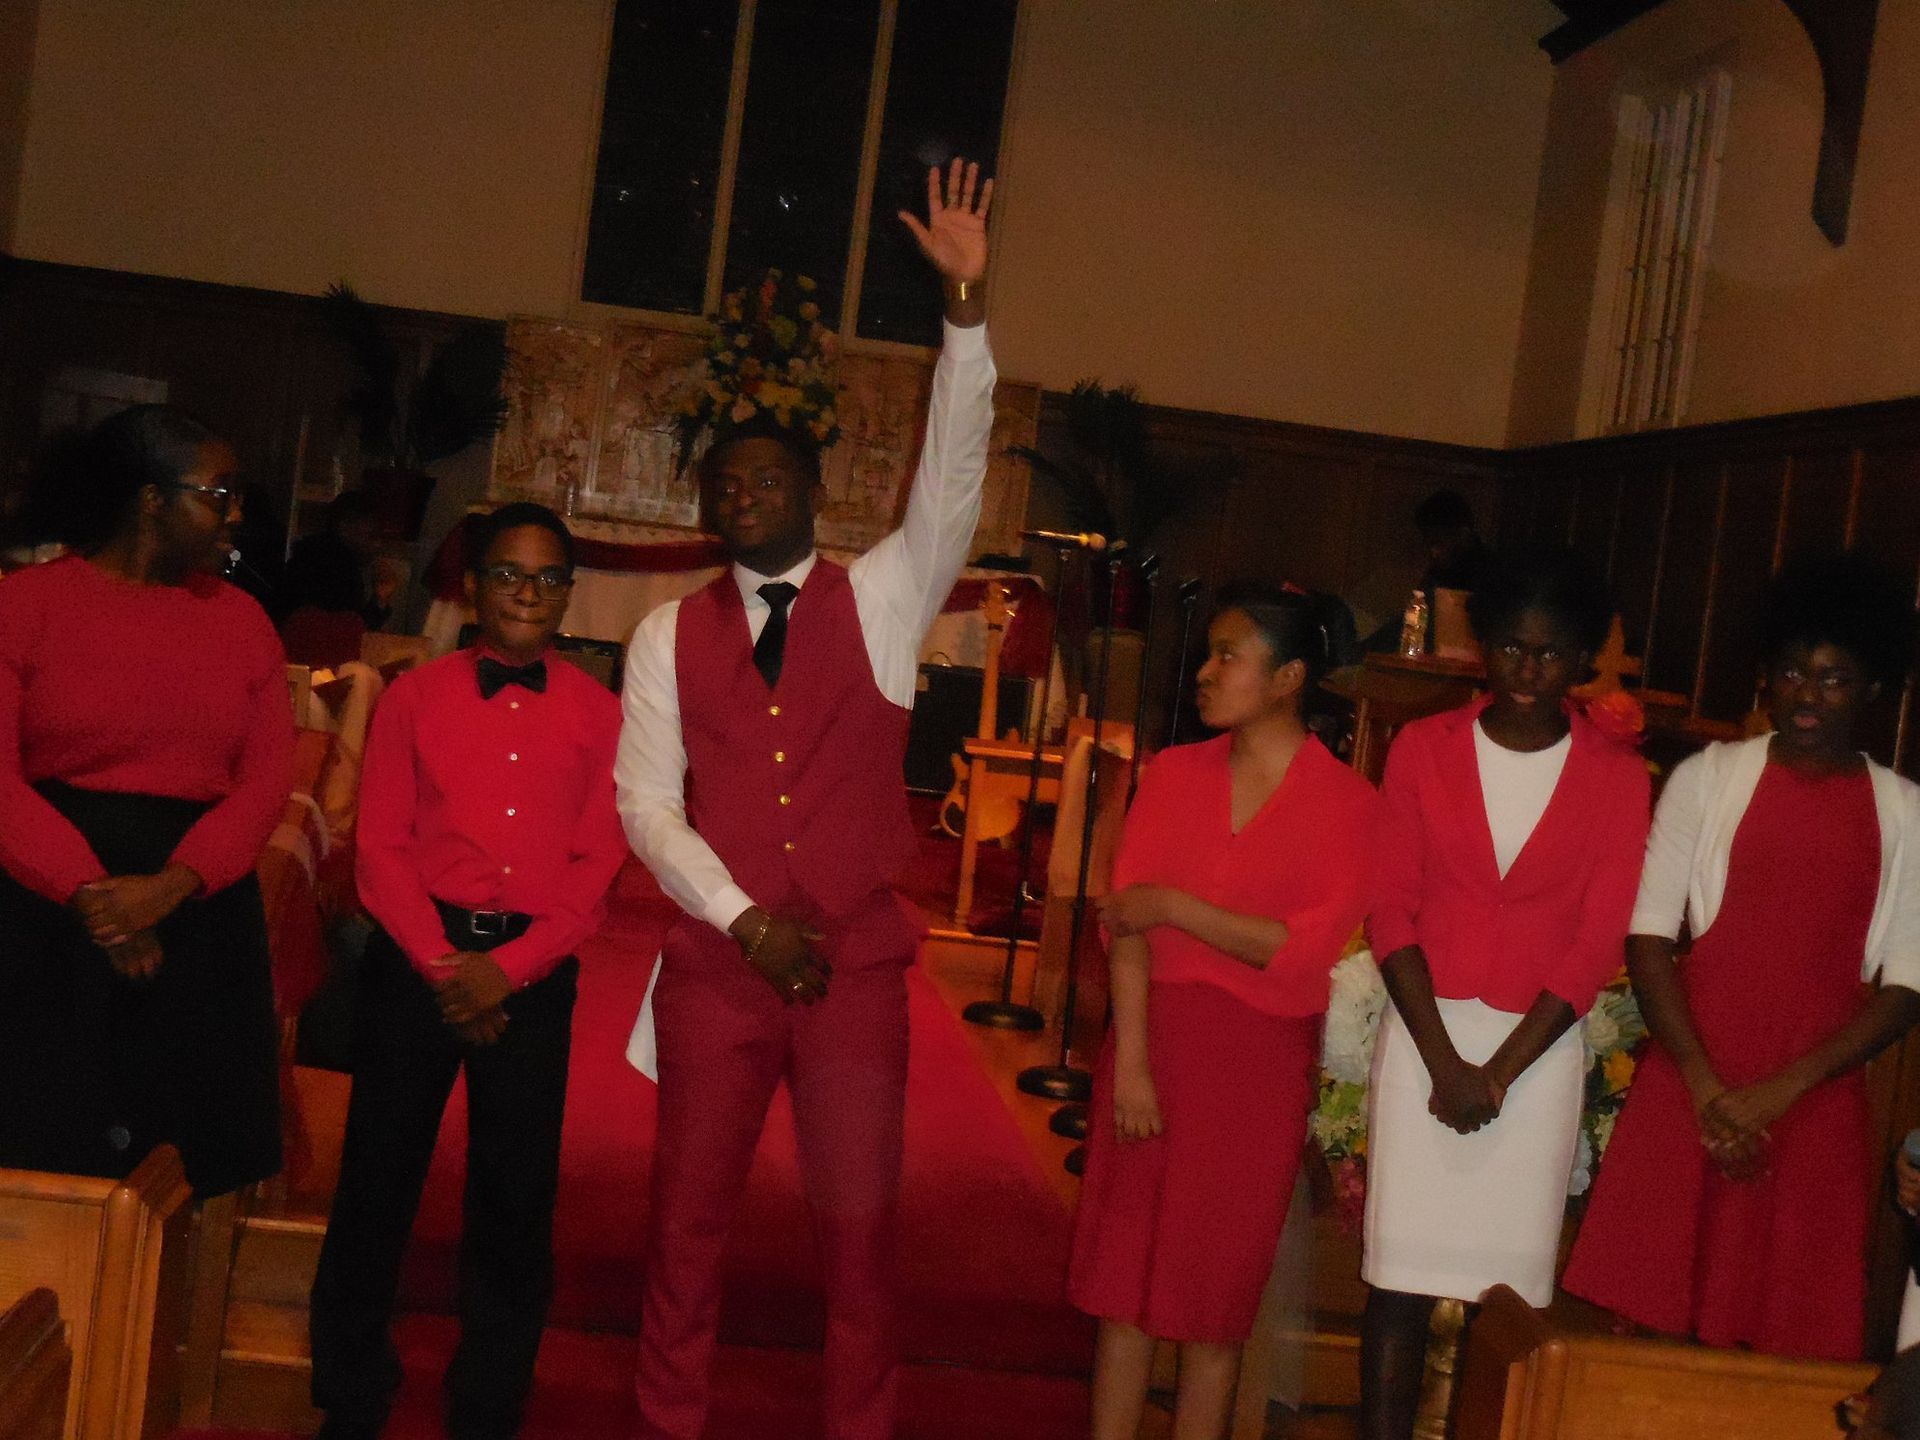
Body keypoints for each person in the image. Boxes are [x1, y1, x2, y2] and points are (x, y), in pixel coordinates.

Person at [614, 158, 994, 1440]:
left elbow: (951, 478)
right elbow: (647, 809)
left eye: (766, 480)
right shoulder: (665, 633)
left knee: (859, 1235)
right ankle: (668, 1421)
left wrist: (965, 311)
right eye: (723, 484)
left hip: (854, 966)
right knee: (684, 1226)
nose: (741, 497)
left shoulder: (882, 601)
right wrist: (737, 918)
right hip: (722, 968)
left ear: (813, 496)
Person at [306, 502, 627, 1440]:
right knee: (378, 1178)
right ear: (476, 588)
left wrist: (510, 971)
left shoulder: (602, 715)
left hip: (532, 971)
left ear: (568, 594)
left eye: (548, 578)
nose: (528, 593)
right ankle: (350, 1389)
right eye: (510, 575)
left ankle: (489, 1401)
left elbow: (597, 863)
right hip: (421, 958)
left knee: (516, 1196)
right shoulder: (414, 696)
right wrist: (448, 967)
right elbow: (382, 850)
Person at [1562, 553, 1920, 1361]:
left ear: (1873, 689)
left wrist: (1781, 1092)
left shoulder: (1905, 812)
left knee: (1782, 1320)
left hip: (1814, 1086)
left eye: (1833, 678)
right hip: (1697, 1065)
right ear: (1767, 678)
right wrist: (1707, 1089)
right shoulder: (1708, 777)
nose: (1807, 694)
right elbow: (1650, 934)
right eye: (1792, 673)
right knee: (1655, 1317)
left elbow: (1907, 986)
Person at [1069, 584, 1378, 1440]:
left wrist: (1177, 906)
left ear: (1287, 679)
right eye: (1208, 653)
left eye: (1226, 656)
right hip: (1152, 1044)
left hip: (1256, 1068)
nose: (1203, 672)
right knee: (1123, 1295)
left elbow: (1303, 949)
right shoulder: (1172, 774)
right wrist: (1129, 1063)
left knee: (1211, 1306)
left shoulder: (1350, 803)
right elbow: (1124, 924)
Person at [1360, 546, 1649, 1440]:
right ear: (1484, 647)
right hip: (1423, 1039)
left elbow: (1598, 937)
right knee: (1397, 1287)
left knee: (1504, 1302)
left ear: (1582, 662)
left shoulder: (1618, 777)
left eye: (1553, 654)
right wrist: (1446, 1064)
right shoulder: (1422, 747)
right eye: (1514, 648)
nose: (1530, 671)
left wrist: (1497, 1076)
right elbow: (1388, 908)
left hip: (1535, 1056)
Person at [0, 404, 292, 1196]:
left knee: (191, 1153)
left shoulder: (243, 622)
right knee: (45, 1150)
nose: (236, 515)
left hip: (197, 911)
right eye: (218, 494)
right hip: (47, 913)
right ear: (151, 501)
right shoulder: (26, 605)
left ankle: (176, 1323)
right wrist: (91, 897)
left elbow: (268, 779)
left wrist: (168, 888)